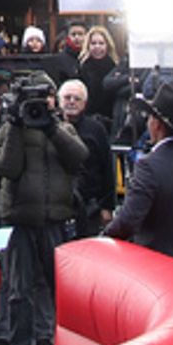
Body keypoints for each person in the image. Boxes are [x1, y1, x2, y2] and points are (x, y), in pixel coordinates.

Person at [0, 73, 87, 345]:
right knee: (19, 290)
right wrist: (17, 124)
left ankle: (58, 344)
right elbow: (7, 168)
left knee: (58, 287)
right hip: (20, 219)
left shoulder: (62, 127)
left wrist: (52, 127)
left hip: (55, 218)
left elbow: (79, 157)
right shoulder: (9, 129)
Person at [102, 81, 173, 268]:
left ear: (156, 124)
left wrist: (101, 241)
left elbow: (128, 222)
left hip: (157, 271)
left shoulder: (150, 166)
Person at [58, 80, 116, 238]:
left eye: (76, 99)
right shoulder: (51, 127)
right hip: (58, 205)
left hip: (90, 205)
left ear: (84, 103)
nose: (71, 102)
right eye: (67, 97)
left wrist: (107, 206)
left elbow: (107, 168)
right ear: (59, 101)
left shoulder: (96, 129)